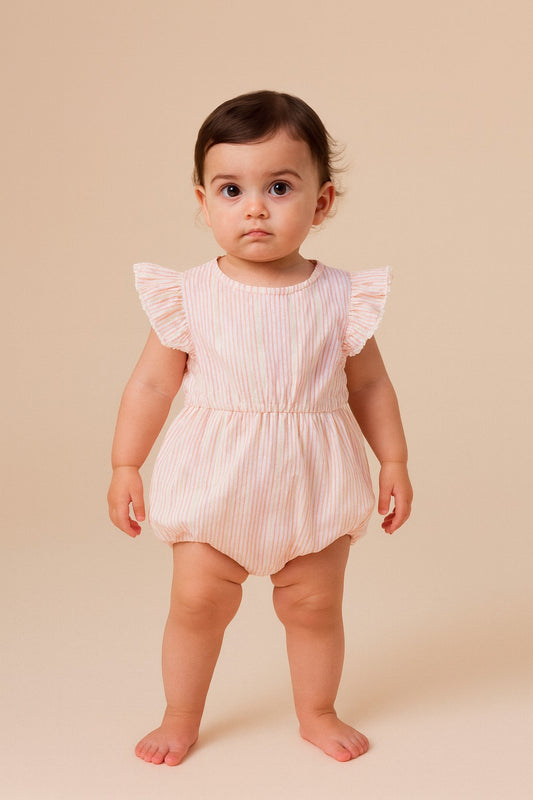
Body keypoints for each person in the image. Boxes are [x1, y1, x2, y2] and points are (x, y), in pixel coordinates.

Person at [107, 90, 413, 766]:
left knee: (313, 607)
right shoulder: (188, 295)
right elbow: (152, 385)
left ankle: (317, 710)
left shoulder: (339, 297)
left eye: (278, 187)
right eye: (231, 189)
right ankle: (179, 716)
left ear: (321, 202)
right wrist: (126, 464)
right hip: (216, 482)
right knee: (196, 606)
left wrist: (392, 460)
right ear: (202, 200)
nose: (254, 207)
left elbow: (368, 386)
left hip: (314, 481)